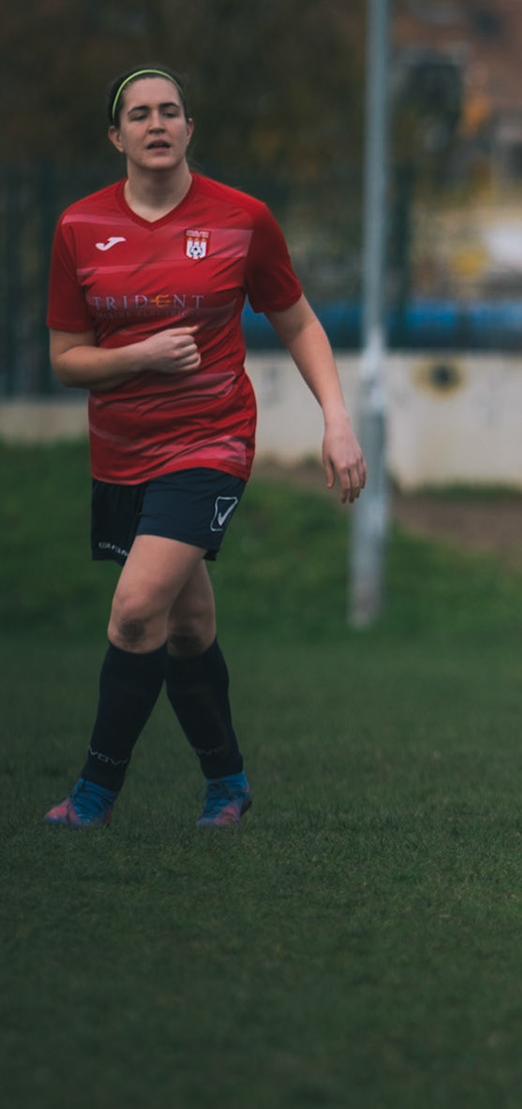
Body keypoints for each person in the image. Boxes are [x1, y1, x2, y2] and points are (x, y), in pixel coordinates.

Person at [42, 65, 365, 828]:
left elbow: (297, 321)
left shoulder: (243, 218)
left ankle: (92, 795)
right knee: (186, 627)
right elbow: (66, 360)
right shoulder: (78, 228)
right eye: (140, 114)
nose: (157, 123)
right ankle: (228, 784)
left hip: (210, 443)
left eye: (170, 111)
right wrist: (141, 355)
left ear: (190, 127)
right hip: (121, 454)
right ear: (115, 135)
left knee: (134, 612)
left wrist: (337, 418)